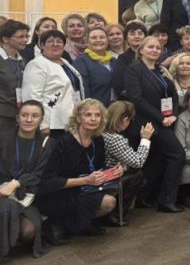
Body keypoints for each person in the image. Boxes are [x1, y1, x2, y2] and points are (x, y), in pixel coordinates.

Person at [36, 99, 122, 239]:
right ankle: (59, 223)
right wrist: (85, 180)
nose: (93, 119)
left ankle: (78, 223)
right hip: (59, 192)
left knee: (114, 191)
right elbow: (48, 181)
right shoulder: (62, 143)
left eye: (97, 115)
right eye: (88, 115)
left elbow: (97, 168)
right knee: (108, 202)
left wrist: (114, 170)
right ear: (78, 118)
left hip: (84, 188)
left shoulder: (98, 140)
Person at [122, 36, 185, 213]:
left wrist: (173, 115)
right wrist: (161, 118)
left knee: (156, 161)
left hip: (165, 121)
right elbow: (137, 99)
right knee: (177, 154)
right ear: (141, 50)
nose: (155, 50)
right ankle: (166, 200)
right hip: (147, 123)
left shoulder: (160, 70)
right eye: (150, 47)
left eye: (158, 48)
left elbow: (173, 95)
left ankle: (144, 196)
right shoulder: (134, 70)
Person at [0, 101, 51, 257]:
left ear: (41, 119)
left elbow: (39, 174)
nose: (29, 119)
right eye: (24, 115)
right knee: (5, 207)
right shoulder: (3, 138)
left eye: (34, 116)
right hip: (1, 190)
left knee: (29, 231)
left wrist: (17, 183)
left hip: (25, 196)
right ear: (17, 118)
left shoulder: (47, 143)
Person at [22, 30, 84, 137]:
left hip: (70, 121)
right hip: (52, 124)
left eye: (59, 41)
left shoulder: (65, 62)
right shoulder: (37, 64)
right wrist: (42, 124)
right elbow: (32, 96)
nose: (55, 44)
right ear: (42, 45)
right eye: (50, 41)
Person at [102, 100, 153, 224]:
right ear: (125, 119)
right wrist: (145, 139)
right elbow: (138, 161)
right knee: (137, 175)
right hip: (108, 177)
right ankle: (115, 215)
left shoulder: (101, 132)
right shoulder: (115, 139)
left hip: (102, 172)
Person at [73, 26, 117, 107]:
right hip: (96, 109)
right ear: (87, 42)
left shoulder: (114, 61)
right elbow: (83, 89)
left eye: (102, 37)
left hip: (116, 108)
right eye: (94, 38)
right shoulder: (81, 62)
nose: (98, 40)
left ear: (107, 40)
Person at [0, 20, 29, 130]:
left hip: (18, 114)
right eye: (21, 37)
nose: (25, 40)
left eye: (27, 36)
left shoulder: (22, 60)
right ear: (5, 39)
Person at [111, 21, 147, 95]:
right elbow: (118, 86)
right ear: (126, 38)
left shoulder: (151, 55)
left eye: (140, 33)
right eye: (132, 34)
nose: (137, 36)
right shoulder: (123, 59)